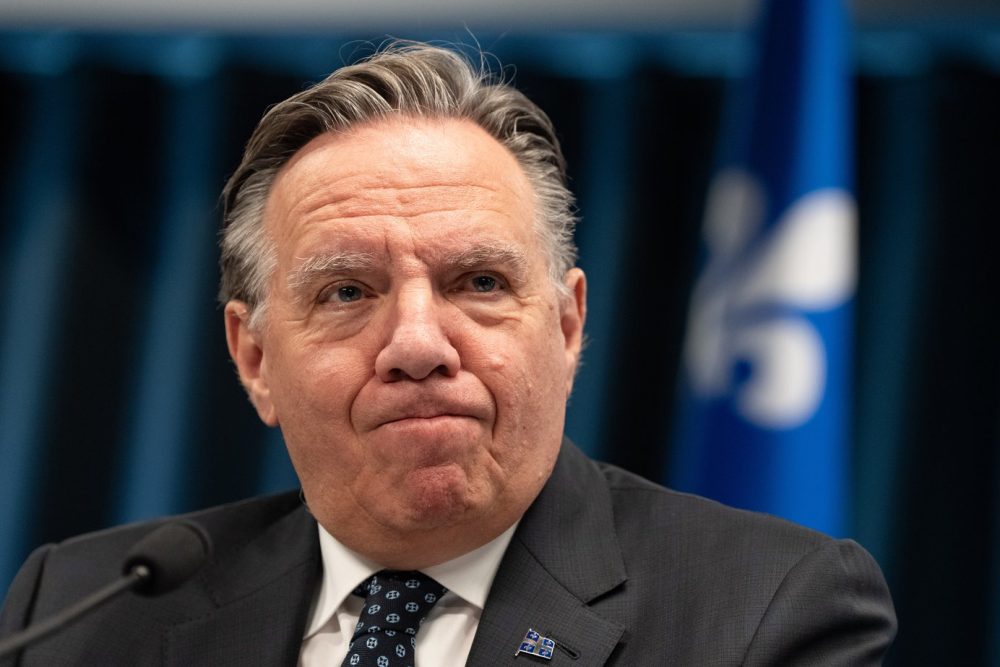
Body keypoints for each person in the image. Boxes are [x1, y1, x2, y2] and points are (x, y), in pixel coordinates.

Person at [0, 42, 896, 666]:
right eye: (347, 292)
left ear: (567, 325)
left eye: (479, 281)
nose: (418, 344)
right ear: (255, 357)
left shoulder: (770, 608)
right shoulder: (81, 611)